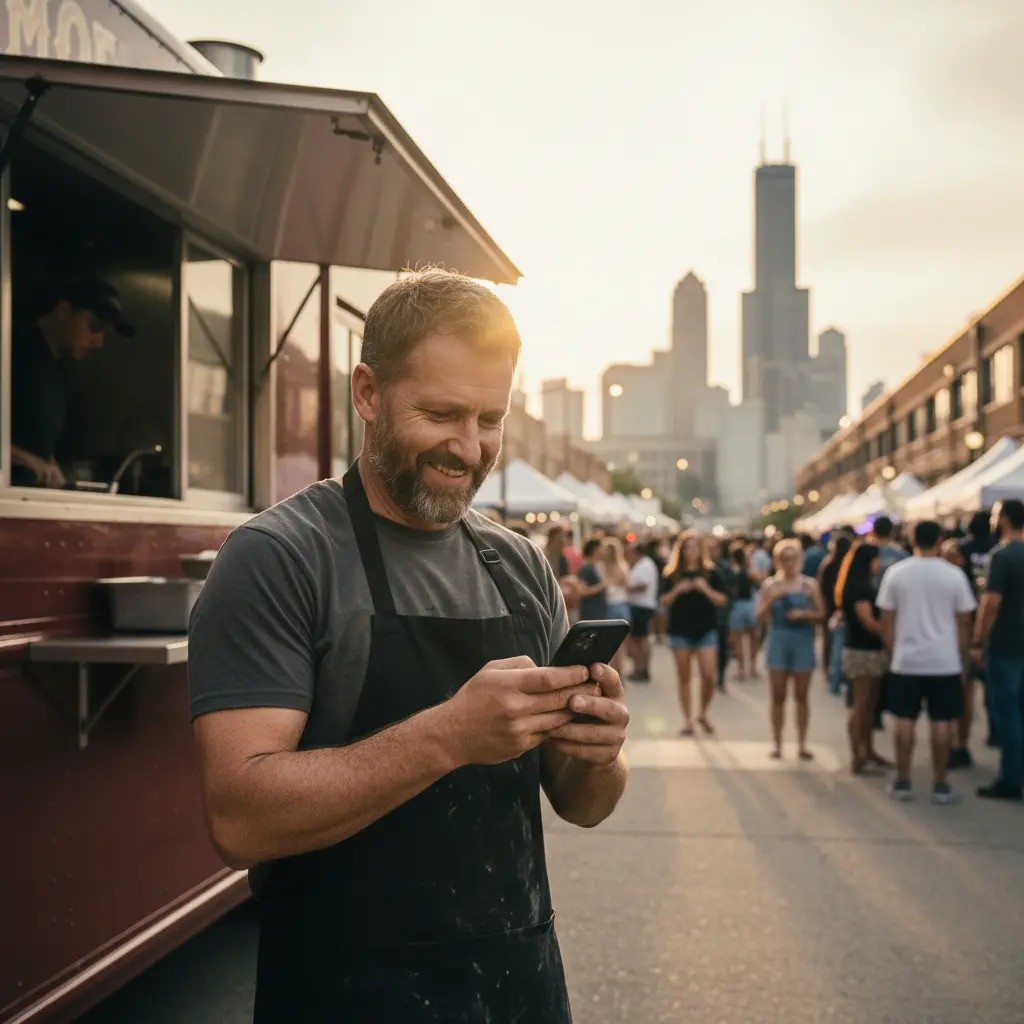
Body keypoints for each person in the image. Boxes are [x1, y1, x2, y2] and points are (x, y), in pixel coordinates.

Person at [188, 269, 629, 1021]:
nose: (469, 446)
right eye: (442, 413)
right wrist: (451, 735)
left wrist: (598, 754)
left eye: (490, 418)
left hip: (517, 980)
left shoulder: (519, 566)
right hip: (344, 990)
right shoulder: (281, 556)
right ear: (367, 392)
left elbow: (583, 805)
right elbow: (240, 818)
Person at [877, 521, 976, 804]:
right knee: (942, 721)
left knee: (904, 720)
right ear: (941, 539)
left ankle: (904, 779)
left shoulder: (897, 574)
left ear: (911, 539)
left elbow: (887, 619)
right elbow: (964, 619)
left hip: (907, 659)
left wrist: (892, 649)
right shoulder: (954, 575)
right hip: (943, 659)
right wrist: (963, 654)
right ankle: (941, 782)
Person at [11, 277, 135, 487]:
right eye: (95, 327)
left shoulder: (57, 369)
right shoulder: (13, 346)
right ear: (64, 311)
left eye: (105, 333)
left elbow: (33, 443)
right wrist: (29, 462)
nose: (99, 342)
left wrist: (49, 463)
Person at [971, 499, 1024, 801]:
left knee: (1007, 712)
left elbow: (991, 601)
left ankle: (1010, 778)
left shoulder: (1002, 555)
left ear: (1003, 518)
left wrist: (978, 641)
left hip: (1006, 643)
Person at [758, 538, 825, 760]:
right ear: (778, 561)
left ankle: (802, 743)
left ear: (800, 560)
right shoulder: (770, 585)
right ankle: (777, 743)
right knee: (778, 695)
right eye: (784, 559)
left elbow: (821, 614)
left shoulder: (809, 585)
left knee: (801, 695)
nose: (789, 563)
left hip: (802, 640)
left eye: (793, 558)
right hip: (779, 639)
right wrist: (770, 601)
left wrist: (804, 615)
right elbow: (758, 616)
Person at [662, 531, 729, 736]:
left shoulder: (711, 573)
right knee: (685, 677)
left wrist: (705, 589)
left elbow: (723, 600)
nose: (691, 551)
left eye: (695, 547)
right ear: (680, 550)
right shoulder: (671, 573)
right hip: (680, 630)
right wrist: (677, 591)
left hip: (706, 629)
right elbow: (663, 600)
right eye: (687, 547)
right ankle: (687, 719)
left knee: (709, 675)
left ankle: (703, 712)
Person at [836, 541, 892, 775]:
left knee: (868, 705)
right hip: (863, 650)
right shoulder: (859, 588)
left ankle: (867, 751)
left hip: (865, 649)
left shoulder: (858, 584)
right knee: (861, 704)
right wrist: (890, 633)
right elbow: (868, 622)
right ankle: (858, 755)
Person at [820, 531, 854, 696]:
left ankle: (829, 671)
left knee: (829, 642)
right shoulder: (849, 565)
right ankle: (841, 675)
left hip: (830, 609)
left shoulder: (828, 563)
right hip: (843, 610)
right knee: (842, 645)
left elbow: (822, 587)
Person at [625, 542, 660, 682]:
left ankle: (641, 668)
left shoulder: (644, 565)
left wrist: (627, 588)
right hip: (641, 605)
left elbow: (643, 585)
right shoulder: (644, 564)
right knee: (639, 638)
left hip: (641, 605)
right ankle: (641, 668)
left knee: (639, 639)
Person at [597, 537, 632, 678]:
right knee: (620, 644)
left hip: (610, 604)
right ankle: (619, 673)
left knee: (607, 644)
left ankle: (613, 673)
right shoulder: (622, 566)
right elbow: (626, 584)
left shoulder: (600, 567)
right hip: (621, 605)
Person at [727, 542, 759, 681]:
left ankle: (742, 668)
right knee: (753, 637)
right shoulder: (749, 570)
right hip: (750, 604)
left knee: (738, 639)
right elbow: (759, 583)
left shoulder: (732, 570)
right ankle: (752, 666)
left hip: (737, 605)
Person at [707, 537, 734, 693]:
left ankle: (720, 676)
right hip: (705, 617)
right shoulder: (702, 569)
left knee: (722, 647)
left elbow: (728, 593)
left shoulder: (724, 569)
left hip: (721, 615)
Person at [575, 537, 608, 622]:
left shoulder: (595, 566)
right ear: (595, 549)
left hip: (597, 612)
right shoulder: (587, 568)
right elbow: (581, 591)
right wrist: (601, 586)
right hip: (591, 614)